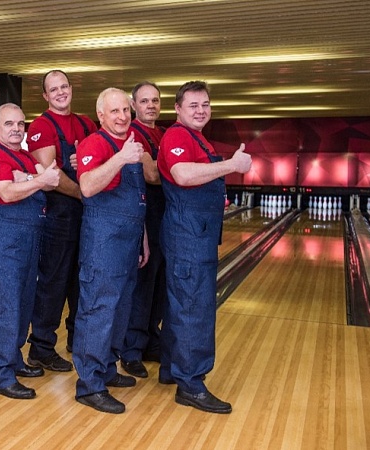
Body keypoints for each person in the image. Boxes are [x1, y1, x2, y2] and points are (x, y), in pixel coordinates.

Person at [157, 80, 251, 414]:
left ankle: (172, 369)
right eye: (193, 105)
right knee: (194, 307)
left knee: (181, 304)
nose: (200, 111)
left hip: (196, 234)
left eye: (205, 104)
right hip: (188, 236)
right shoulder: (177, 136)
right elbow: (183, 174)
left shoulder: (197, 138)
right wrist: (231, 165)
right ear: (178, 109)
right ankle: (191, 384)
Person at [72, 88, 147, 414]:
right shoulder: (95, 144)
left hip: (129, 239)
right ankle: (89, 385)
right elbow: (88, 186)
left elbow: (137, 198)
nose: (122, 116)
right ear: (101, 115)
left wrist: (142, 239)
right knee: (99, 309)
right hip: (103, 241)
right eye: (114, 111)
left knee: (120, 308)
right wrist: (120, 158)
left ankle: (106, 367)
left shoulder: (130, 143)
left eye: (126, 110)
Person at [0, 103, 60, 400]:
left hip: (30, 237)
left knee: (24, 302)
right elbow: (6, 191)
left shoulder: (25, 156)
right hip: (6, 239)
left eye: (20, 124)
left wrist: (23, 177)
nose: (16, 129)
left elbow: (51, 181)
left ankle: (13, 359)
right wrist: (34, 179)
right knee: (5, 305)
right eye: (9, 124)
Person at [27, 70, 97, 373]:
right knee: (53, 283)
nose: (60, 92)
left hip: (86, 215)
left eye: (64, 86)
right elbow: (51, 175)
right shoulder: (41, 126)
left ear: (71, 88)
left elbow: (98, 161)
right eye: (53, 89)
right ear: (45, 95)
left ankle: (77, 340)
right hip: (58, 215)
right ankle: (41, 348)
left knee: (81, 283)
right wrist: (83, 191)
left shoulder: (87, 124)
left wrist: (85, 165)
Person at [121, 81, 165, 379]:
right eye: (145, 101)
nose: (151, 105)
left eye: (155, 100)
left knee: (158, 285)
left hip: (163, 217)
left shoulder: (162, 133)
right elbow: (152, 175)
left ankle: (150, 339)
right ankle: (131, 350)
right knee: (142, 285)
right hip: (144, 216)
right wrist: (176, 168)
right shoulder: (134, 134)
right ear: (134, 105)